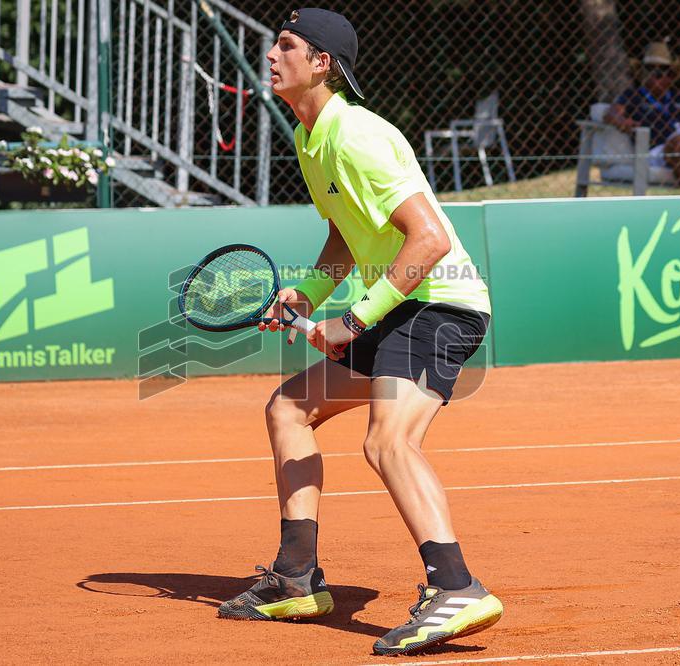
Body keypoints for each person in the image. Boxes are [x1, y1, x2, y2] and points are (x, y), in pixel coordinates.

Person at [215, 7, 503, 657]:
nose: (270, 54)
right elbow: (345, 234)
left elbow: (428, 239)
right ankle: (295, 577)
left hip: (441, 304)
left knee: (389, 441)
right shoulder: (309, 137)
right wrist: (309, 294)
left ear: (321, 63)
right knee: (290, 407)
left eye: (284, 45)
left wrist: (351, 319)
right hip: (397, 302)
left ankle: (455, 588)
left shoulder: (357, 136)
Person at [605, 41, 680, 194]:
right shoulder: (633, 96)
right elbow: (611, 113)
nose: (659, 75)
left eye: (664, 70)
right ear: (642, 72)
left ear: (672, 75)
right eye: (651, 69)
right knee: (678, 142)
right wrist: (621, 121)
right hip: (657, 147)